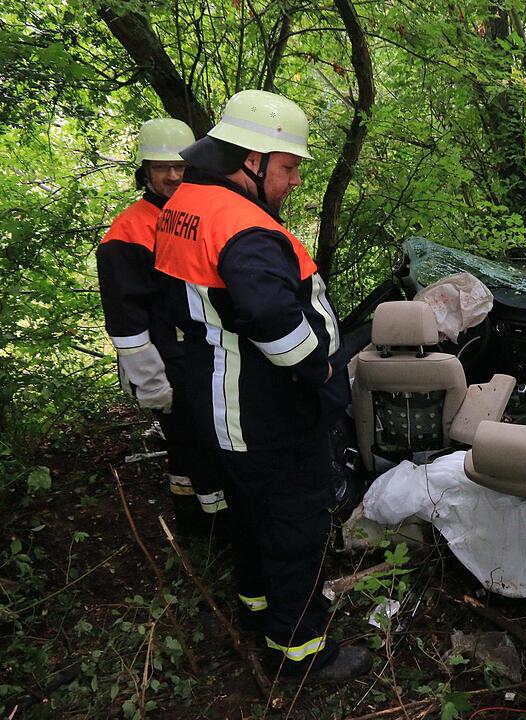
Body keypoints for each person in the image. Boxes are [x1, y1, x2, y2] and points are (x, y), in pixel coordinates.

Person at [154, 90, 370, 683]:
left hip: (217, 400)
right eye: (290, 166)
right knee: (296, 525)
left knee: (250, 515)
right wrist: (322, 369)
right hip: (265, 409)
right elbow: (273, 320)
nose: (295, 180)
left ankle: (256, 607)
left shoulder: (185, 204)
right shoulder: (244, 229)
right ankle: (300, 650)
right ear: (251, 159)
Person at [97, 118, 229, 534]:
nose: (172, 175)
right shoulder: (129, 231)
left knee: (209, 444)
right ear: (145, 170)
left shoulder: (196, 214)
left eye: (179, 166)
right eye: (161, 167)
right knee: (190, 448)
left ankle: (218, 523)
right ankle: (205, 531)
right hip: (168, 364)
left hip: (204, 355)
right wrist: (150, 380)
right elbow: (125, 321)